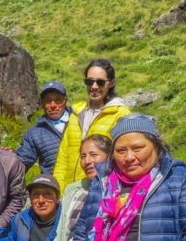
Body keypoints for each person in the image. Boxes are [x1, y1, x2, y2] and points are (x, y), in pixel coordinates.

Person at [53, 59, 132, 187]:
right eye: (89, 82)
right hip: (72, 193)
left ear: (112, 83)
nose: (94, 87)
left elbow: (125, 158)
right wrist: (58, 191)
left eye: (100, 82)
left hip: (103, 191)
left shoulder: (121, 114)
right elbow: (63, 158)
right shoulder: (77, 113)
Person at [16, 81, 71, 175]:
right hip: (53, 186)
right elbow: (21, 163)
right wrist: (6, 157)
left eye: (58, 100)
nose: (53, 105)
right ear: (41, 104)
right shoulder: (35, 133)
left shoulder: (80, 119)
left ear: (65, 101)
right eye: (48, 101)